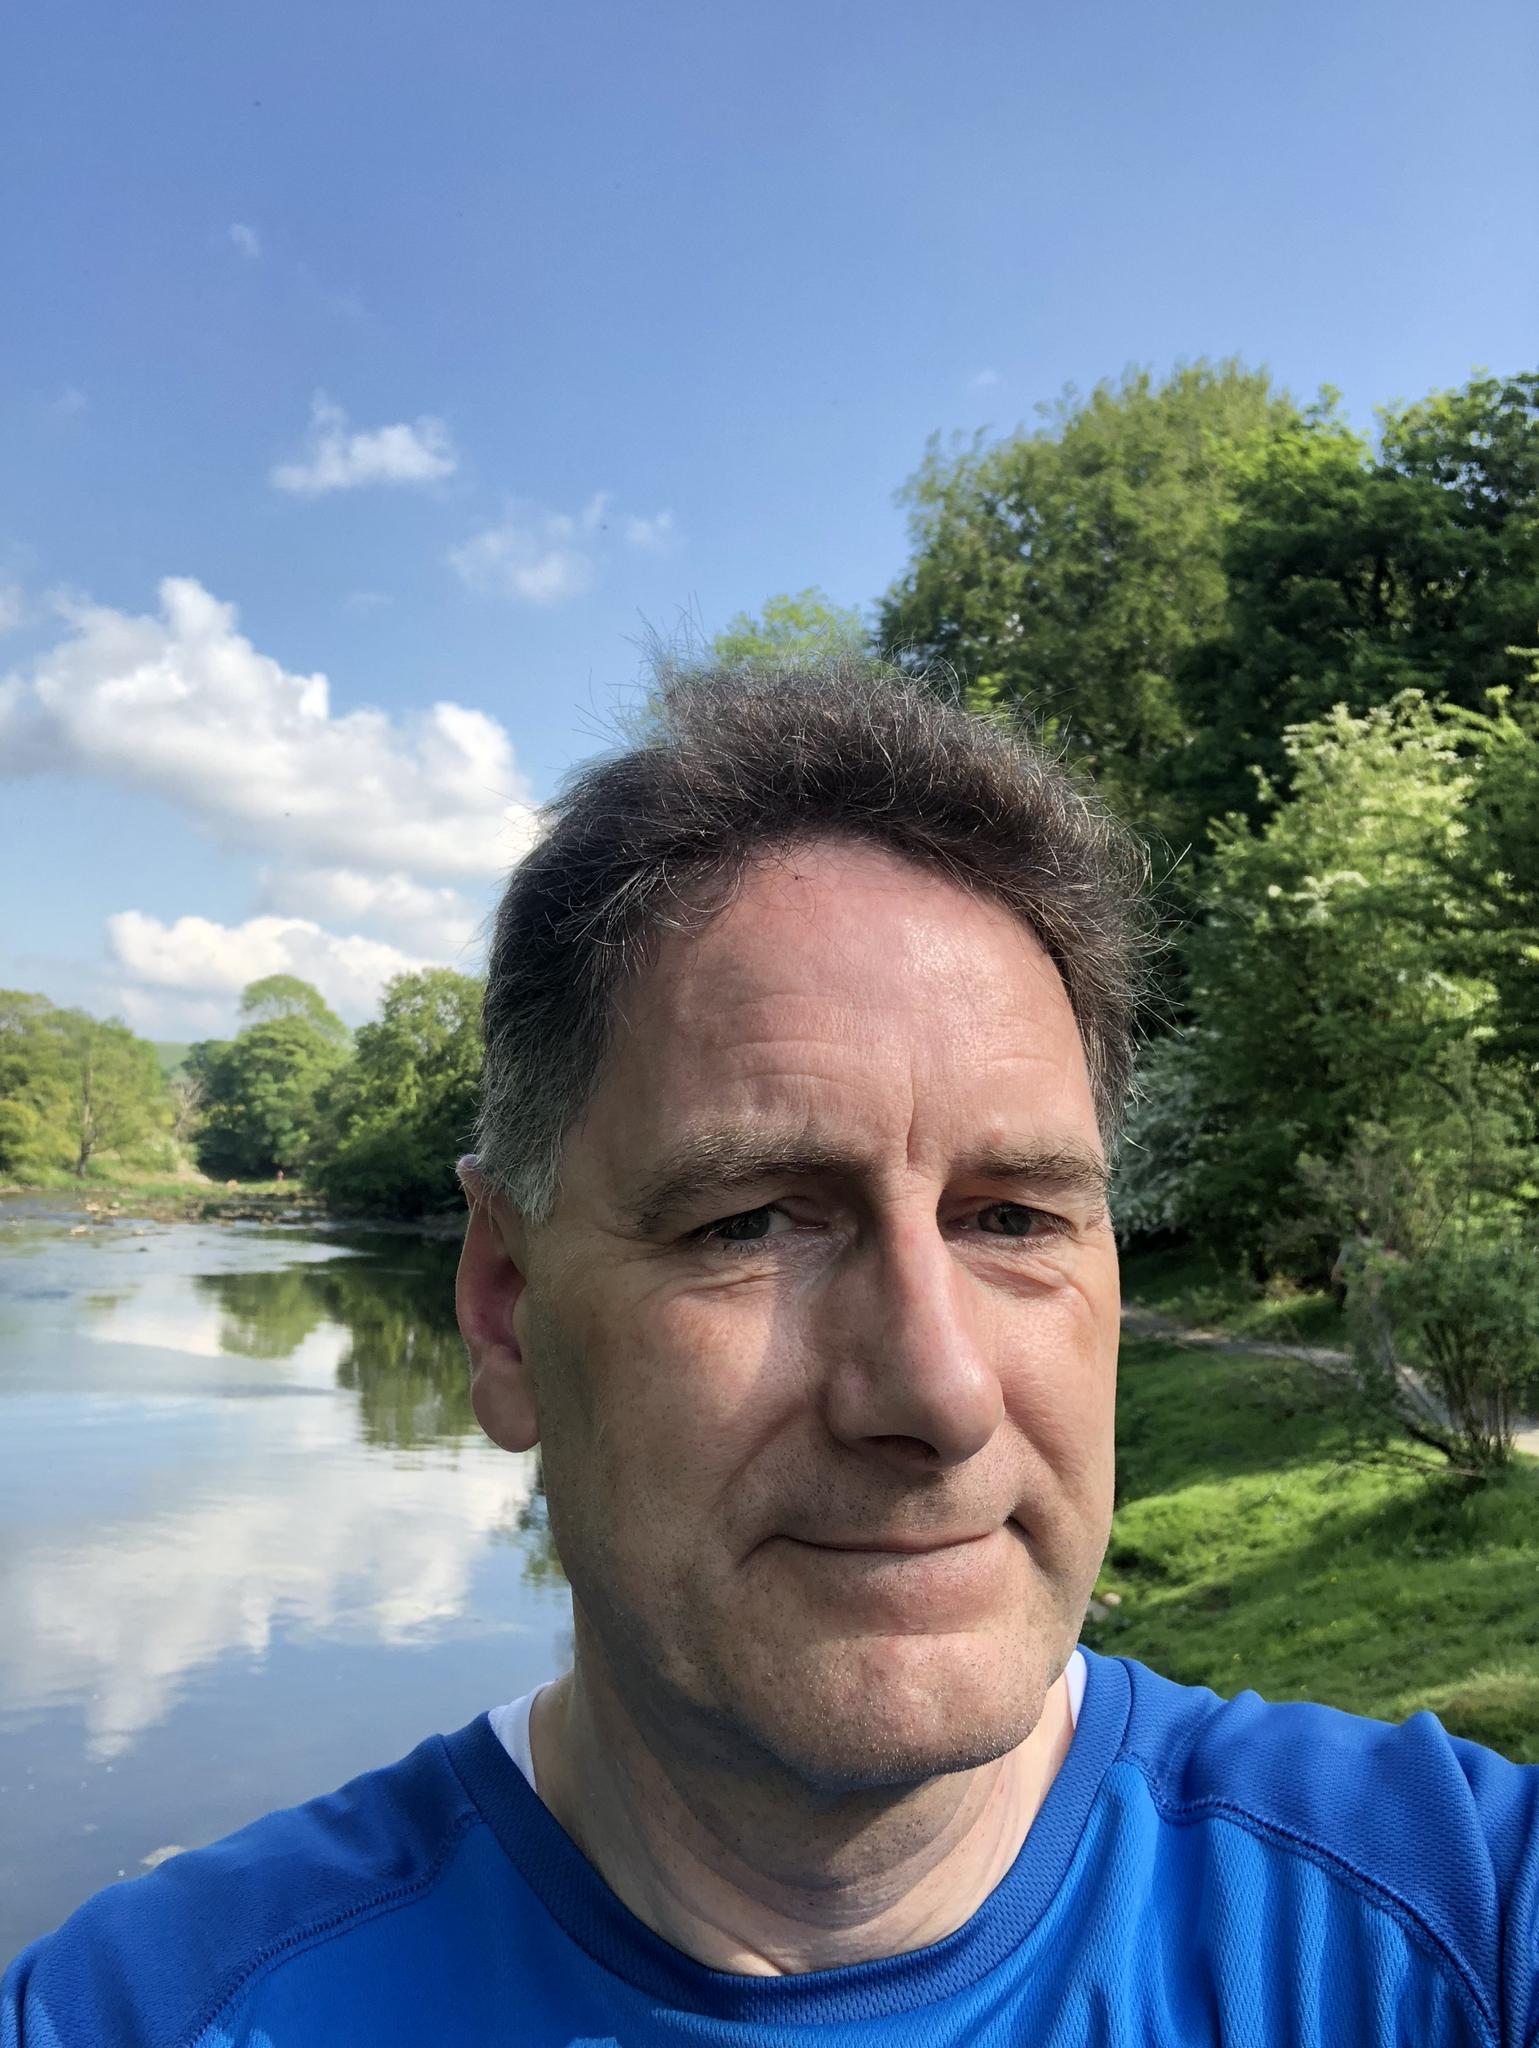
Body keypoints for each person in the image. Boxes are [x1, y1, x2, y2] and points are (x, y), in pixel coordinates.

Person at [4, 665, 1535, 2046]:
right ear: (504, 1306)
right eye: (750, 1223)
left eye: (1013, 1217)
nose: (938, 1392)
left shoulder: (1460, 1926)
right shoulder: (137, 2015)